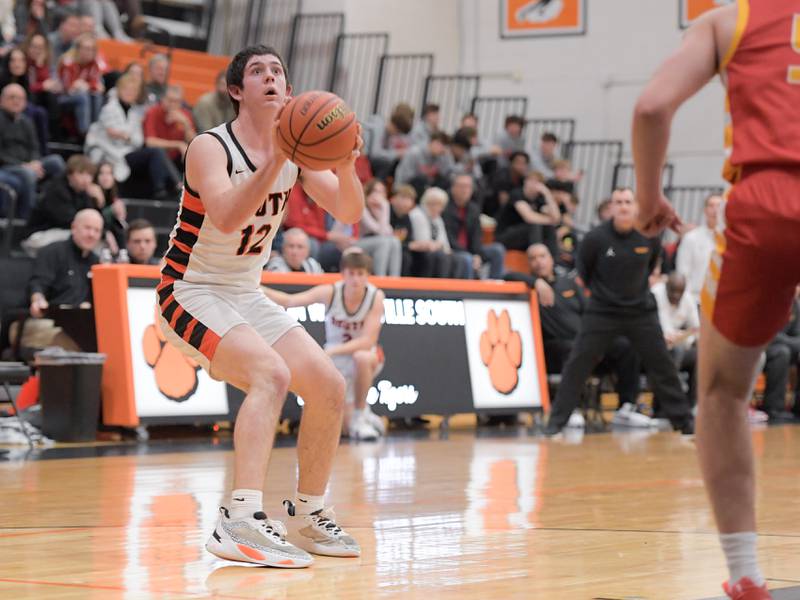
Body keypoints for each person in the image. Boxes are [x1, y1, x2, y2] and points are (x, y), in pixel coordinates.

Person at [157, 44, 364, 567]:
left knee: (329, 387)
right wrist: (277, 156)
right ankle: (240, 519)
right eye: (257, 72)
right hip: (189, 290)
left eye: (278, 71)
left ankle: (306, 513)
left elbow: (347, 210)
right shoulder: (210, 146)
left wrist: (345, 164)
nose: (270, 77)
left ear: (289, 91)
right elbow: (225, 217)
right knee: (271, 374)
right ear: (236, 91)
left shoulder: (295, 155)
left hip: (245, 294)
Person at [631, 3, 800, 596]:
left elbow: (652, 106)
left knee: (723, 392)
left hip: (766, 202)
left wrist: (649, 197)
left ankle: (747, 573)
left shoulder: (733, 21)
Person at [544, 188, 693, 435]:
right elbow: (585, 272)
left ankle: (685, 423)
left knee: (662, 365)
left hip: (640, 311)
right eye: (618, 202)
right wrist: (606, 295)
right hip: (603, 311)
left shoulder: (649, 236)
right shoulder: (595, 238)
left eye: (627, 202)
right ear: (610, 207)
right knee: (578, 363)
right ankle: (555, 424)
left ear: (635, 206)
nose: (623, 207)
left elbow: (650, 268)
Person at [264, 249, 386, 440]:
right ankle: (365, 416)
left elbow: (367, 341)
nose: (355, 279)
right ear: (343, 274)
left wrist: (332, 350)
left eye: (360, 274)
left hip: (363, 356)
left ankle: (361, 415)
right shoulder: (330, 291)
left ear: (367, 276)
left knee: (362, 357)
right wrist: (257, 288)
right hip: (336, 359)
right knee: (344, 430)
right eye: (351, 273)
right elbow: (290, 300)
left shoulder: (375, 296)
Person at [506, 243, 641, 415]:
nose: (538, 262)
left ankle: (627, 408)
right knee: (572, 350)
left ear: (551, 259)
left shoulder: (568, 284)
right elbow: (506, 275)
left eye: (542, 256)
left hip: (585, 343)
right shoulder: (526, 287)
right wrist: (536, 282)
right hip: (555, 348)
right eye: (533, 258)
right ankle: (571, 410)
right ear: (528, 264)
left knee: (625, 346)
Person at [14, 208, 102, 350]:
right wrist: (37, 299)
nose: (91, 234)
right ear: (74, 227)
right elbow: (38, 283)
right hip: (45, 320)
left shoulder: (97, 263)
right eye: (87, 228)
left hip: (79, 323)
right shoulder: (52, 252)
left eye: (97, 230)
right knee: (72, 340)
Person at [84, 74, 180, 199]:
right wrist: (125, 136)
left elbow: (138, 140)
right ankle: (169, 186)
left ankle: (164, 189)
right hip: (108, 153)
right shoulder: (109, 108)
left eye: (133, 91)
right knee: (155, 152)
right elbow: (108, 136)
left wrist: (124, 136)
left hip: (126, 153)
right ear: (119, 90)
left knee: (157, 154)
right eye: (126, 90)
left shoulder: (135, 113)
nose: (129, 93)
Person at [0, 83, 65, 219]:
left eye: (20, 98)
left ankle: (56, 207)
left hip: (28, 164)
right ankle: (27, 218)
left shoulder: (26, 121)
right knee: (28, 173)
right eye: (12, 97)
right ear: (2, 100)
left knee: (56, 162)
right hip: (7, 166)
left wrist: (35, 162)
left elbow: (35, 147)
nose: (16, 101)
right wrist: (23, 165)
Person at [23, 153, 104, 253]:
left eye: (89, 175)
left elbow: (94, 220)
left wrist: (99, 203)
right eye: (81, 173)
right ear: (70, 174)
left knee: (95, 238)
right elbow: (68, 220)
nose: (86, 179)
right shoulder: (56, 189)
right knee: (84, 237)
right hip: (39, 236)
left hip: (63, 233)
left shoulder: (84, 193)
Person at [443, 173, 505, 279]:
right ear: (453, 188)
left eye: (468, 187)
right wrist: (472, 256)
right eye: (461, 186)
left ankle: (494, 286)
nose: (465, 190)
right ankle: (468, 291)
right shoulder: (445, 207)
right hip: (452, 250)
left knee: (497, 250)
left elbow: (477, 236)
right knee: (467, 258)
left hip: (470, 250)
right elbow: (449, 238)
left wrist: (477, 254)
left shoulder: (474, 209)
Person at [652, 272, 700, 406]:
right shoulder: (656, 294)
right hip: (655, 349)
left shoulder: (688, 299)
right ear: (666, 286)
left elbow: (696, 329)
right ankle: (666, 405)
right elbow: (662, 327)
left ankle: (692, 405)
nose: (676, 296)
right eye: (673, 291)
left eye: (680, 292)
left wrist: (689, 338)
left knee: (700, 355)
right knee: (676, 351)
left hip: (679, 347)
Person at [494, 170, 560, 255]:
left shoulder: (539, 199)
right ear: (525, 181)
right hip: (505, 235)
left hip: (525, 238)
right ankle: (536, 255)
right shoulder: (517, 194)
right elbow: (529, 217)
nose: (533, 184)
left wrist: (547, 194)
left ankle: (553, 263)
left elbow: (557, 217)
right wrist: (550, 220)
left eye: (537, 182)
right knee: (534, 225)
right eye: (531, 180)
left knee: (549, 228)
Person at [676, 194, 723, 304]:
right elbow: (683, 271)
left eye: (719, 206)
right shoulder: (691, 238)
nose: (715, 210)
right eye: (711, 206)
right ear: (705, 210)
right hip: (695, 300)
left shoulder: (730, 240)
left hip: (722, 302)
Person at [57, 32, 105, 136]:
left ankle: (95, 130)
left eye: (92, 49)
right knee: (82, 96)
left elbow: (98, 87)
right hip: (63, 97)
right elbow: (69, 88)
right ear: (78, 49)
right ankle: (85, 133)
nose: (89, 52)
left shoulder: (94, 64)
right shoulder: (68, 62)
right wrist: (88, 86)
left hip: (83, 95)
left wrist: (86, 86)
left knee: (96, 96)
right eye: (86, 48)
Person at [143, 84, 196, 170]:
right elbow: (150, 142)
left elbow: (193, 143)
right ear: (163, 99)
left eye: (176, 101)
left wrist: (186, 124)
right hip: (155, 157)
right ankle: (178, 183)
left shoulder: (185, 115)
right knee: (158, 153)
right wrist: (178, 144)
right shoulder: (153, 112)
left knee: (193, 154)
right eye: (170, 100)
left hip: (176, 158)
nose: (173, 104)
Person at [408, 186, 456, 278]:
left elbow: (445, 244)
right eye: (435, 204)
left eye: (441, 205)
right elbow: (424, 242)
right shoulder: (417, 215)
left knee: (458, 258)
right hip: (418, 253)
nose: (439, 208)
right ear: (427, 203)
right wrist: (439, 246)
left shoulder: (438, 219)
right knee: (440, 256)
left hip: (434, 251)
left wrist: (442, 247)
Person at [357, 179, 402, 277]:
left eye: (382, 192)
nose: (379, 195)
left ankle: (395, 279)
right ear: (368, 193)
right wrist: (385, 207)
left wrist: (381, 212)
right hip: (358, 242)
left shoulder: (380, 209)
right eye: (376, 191)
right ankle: (380, 278)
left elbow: (388, 231)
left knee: (395, 241)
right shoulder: (362, 208)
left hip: (377, 241)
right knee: (384, 241)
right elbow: (380, 231)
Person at [393, 131, 454, 196]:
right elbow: (404, 176)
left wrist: (447, 157)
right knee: (421, 180)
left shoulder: (442, 156)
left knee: (445, 181)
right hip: (410, 187)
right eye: (440, 144)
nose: (442, 148)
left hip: (429, 187)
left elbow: (448, 173)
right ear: (433, 142)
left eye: (444, 146)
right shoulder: (414, 153)